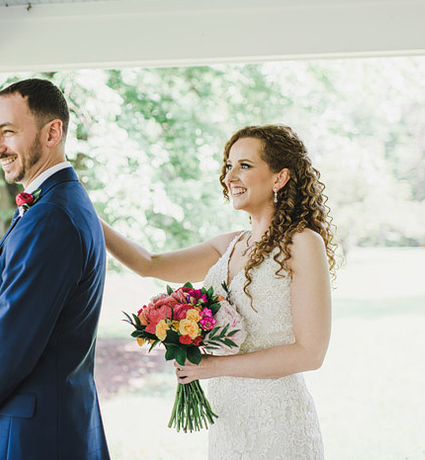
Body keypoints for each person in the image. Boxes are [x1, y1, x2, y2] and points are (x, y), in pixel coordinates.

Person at [102, 124, 336, 459]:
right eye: (228, 166)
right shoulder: (227, 246)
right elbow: (148, 263)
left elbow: (310, 354)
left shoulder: (302, 243)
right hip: (228, 423)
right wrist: (84, 212)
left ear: (279, 178)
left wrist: (211, 367)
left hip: (279, 426)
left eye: (244, 165)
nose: (229, 177)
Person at [0, 79, 110, 460]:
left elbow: (11, 338)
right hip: (43, 424)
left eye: (8, 132)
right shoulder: (56, 203)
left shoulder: (52, 216)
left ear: (53, 132)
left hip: (28, 436)